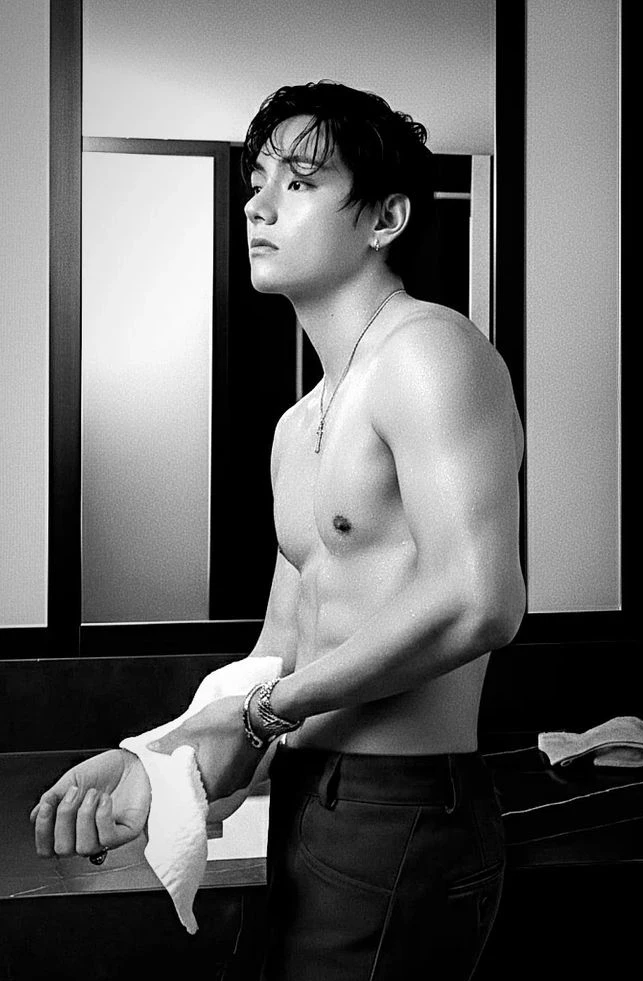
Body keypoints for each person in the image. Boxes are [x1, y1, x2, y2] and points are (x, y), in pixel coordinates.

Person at [31, 80, 526, 980]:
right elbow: (277, 650)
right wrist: (158, 757)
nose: (257, 204)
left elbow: (479, 601)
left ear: (386, 219)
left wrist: (262, 715)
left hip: (403, 804)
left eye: (298, 182)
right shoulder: (296, 427)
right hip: (308, 795)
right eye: (257, 180)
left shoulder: (430, 353)